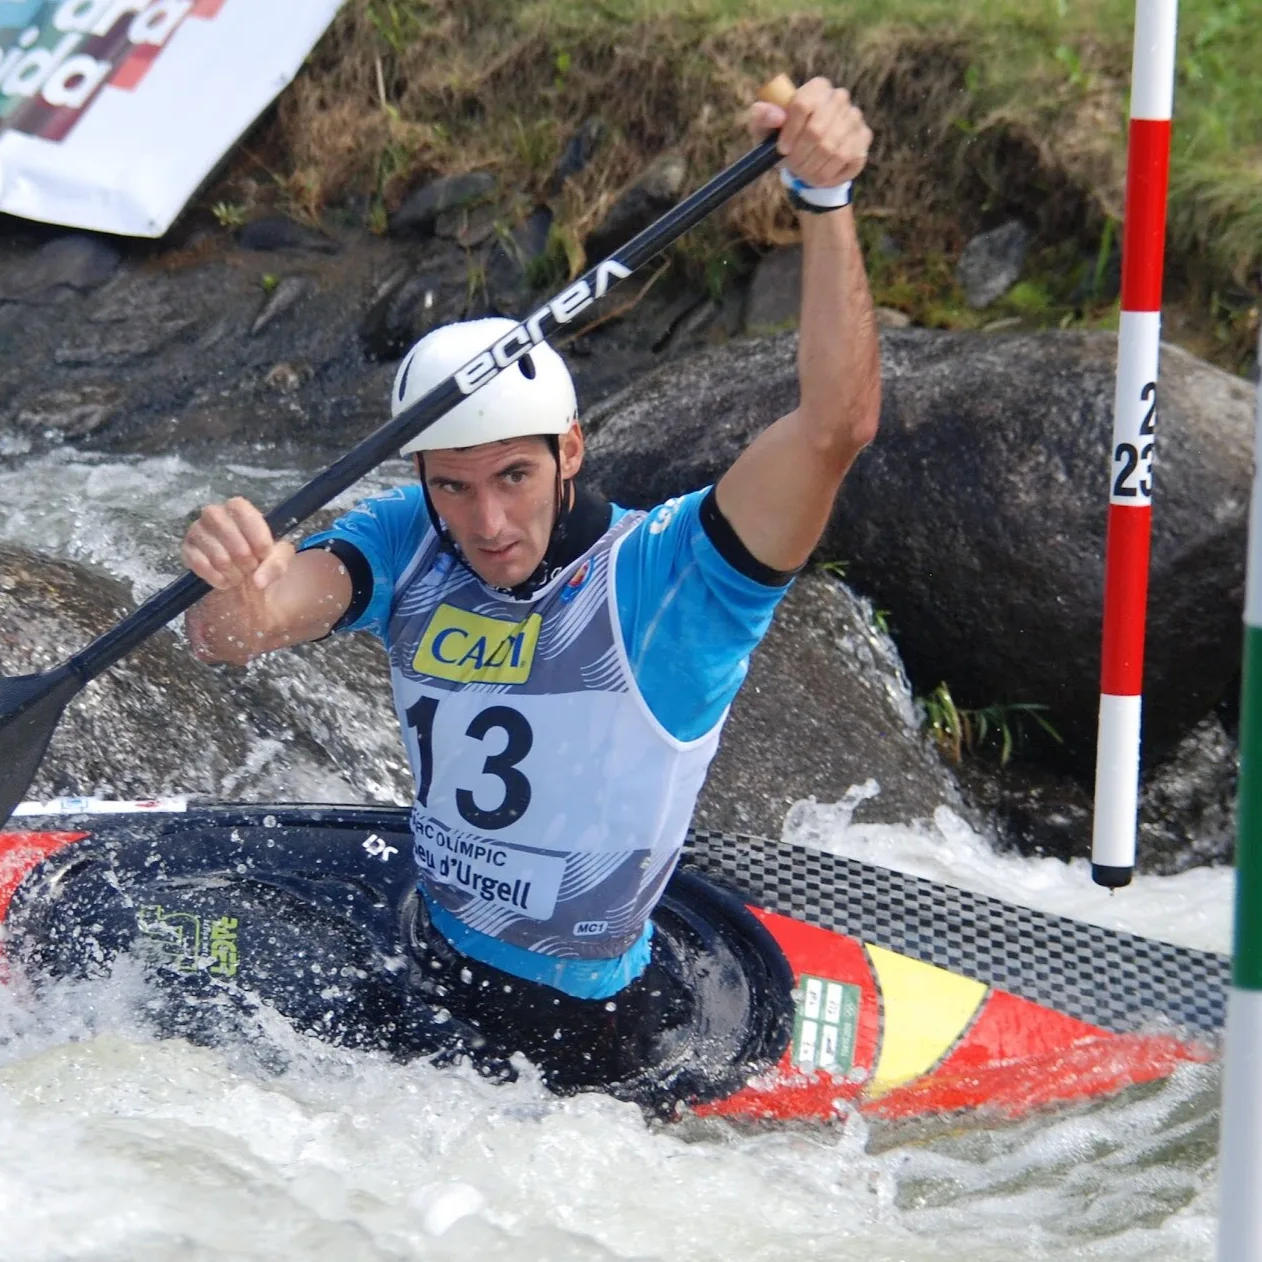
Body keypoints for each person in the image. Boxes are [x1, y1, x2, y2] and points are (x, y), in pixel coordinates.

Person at [181, 77, 880, 1095]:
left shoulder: (671, 578)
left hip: (583, 1025)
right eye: (454, 485)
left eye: (514, 475)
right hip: (429, 951)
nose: (487, 522)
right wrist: (234, 584)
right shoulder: (407, 534)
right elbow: (237, 629)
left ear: (571, 450)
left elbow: (834, 429)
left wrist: (824, 201)